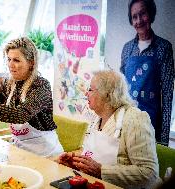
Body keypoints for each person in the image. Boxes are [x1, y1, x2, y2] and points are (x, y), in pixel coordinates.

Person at [58, 70, 161, 189]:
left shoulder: (135, 119)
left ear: (107, 94)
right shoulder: (98, 118)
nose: (86, 93)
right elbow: (93, 155)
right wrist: (76, 164)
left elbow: (149, 173)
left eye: (90, 89)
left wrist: (101, 171)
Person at [120, 0, 174, 146]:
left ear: (150, 14)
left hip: (151, 122)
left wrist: (163, 140)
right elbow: (121, 89)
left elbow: (168, 95)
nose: (138, 21)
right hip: (127, 120)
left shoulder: (164, 48)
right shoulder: (127, 49)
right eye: (134, 17)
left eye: (142, 14)